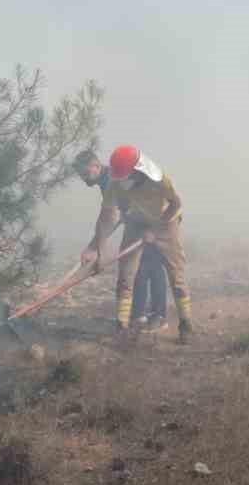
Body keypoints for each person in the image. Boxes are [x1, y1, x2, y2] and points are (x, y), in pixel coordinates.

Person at [77, 144, 192, 341]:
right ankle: (121, 327)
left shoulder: (158, 178)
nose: (121, 183)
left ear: (137, 171)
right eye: (118, 178)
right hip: (136, 221)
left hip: (166, 221)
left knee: (176, 276)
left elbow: (176, 204)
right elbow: (106, 216)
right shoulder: (115, 181)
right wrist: (98, 250)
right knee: (126, 275)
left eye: (125, 178)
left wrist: (155, 230)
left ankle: (185, 324)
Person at [72, 148, 167, 328]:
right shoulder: (104, 180)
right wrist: (93, 247)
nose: (83, 178)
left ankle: (158, 316)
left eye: (85, 173)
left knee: (151, 265)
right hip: (136, 221)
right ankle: (138, 315)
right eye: (80, 175)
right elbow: (110, 219)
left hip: (152, 218)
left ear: (96, 165)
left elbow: (112, 217)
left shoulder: (110, 179)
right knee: (138, 269)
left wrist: (99, 251)